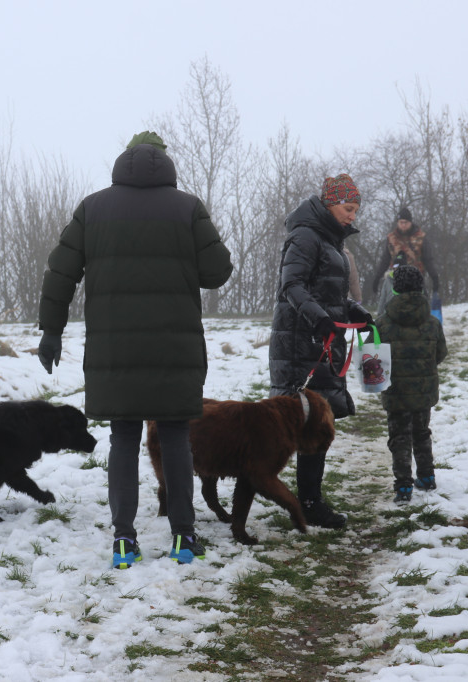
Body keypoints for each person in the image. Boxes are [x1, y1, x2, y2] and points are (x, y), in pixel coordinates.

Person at [37, 131, 232, 567]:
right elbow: (217, 271)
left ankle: (124, 541)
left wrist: (51, 331)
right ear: (167, 163)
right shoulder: (187, 207)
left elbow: (59, 274)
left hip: (114, 350)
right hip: (174, 347)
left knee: (123, 436)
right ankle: (184, 538)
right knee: (176, 435)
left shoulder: (93, 208)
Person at [269, 174, 374, 529]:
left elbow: (326, 291)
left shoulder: (331, 243)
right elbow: (292, 286)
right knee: (292, 425)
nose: (352, 216)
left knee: (317, 425)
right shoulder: (305, 236)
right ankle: (277, 490)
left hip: (322, 341)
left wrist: (350, 311)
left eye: (356, 210)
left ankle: (309, 500)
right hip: (300, 343)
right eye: (348, 208)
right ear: (329, 204)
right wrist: (320, 320)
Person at [373, 265, 448, 503]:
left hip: (395, 391)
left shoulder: (382, 323)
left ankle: (403, 486)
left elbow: (372, 359)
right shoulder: (433, 322)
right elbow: (441, 353)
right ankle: (426, 477)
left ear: (395, 289)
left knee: (399, 437)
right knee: (421, 433)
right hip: (423, 391)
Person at [371, 206, 441, 315]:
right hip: (395, 280)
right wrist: (377, 277)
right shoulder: (391, 238)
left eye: (406, 222)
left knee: (421, 309)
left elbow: (428, 259)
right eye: (401, 222)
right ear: (398, 222)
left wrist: (434, 277)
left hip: (417, 280)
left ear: (410, 222)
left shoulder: (421, 237)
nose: (403, 225)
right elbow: (385, 259)